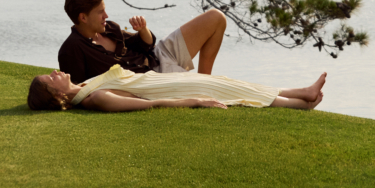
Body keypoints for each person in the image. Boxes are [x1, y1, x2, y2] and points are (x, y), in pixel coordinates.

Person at [58, 0, 226, 84]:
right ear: (83, 17)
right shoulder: (72, 50)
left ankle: (206, 82)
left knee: (216, 18)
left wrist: (143, 29)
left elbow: (145, 44)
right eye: (100, 12)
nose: (106, 16)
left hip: (159, 55)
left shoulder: (109, 28)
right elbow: (79, 91)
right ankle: (204, 87)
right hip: (152, 80)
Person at [27, 65, 327, 112]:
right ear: (56, 95)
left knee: (229, 83)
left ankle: (302, 92)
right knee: (231, 93)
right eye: (49, 78)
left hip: (166, 79)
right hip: (168, 89)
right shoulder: (95, 97)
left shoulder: (84, 86)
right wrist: (195, 101)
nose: (55, 72)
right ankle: (302, 104)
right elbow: (149, 105)